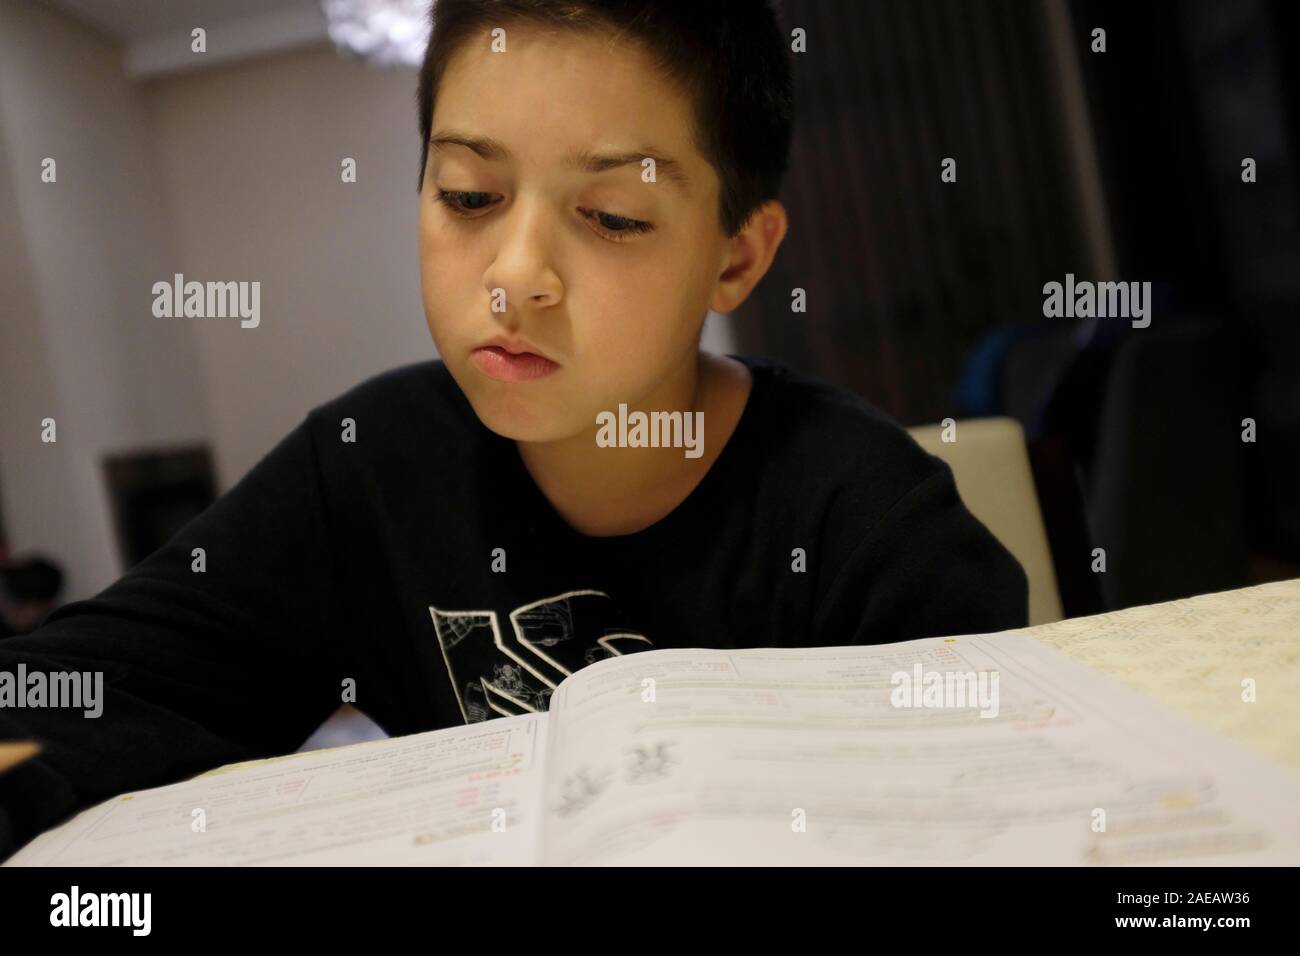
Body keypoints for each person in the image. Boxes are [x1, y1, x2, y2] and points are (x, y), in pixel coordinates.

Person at [0, 0, 1026, 862]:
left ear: (736, 258)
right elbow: (96, 687)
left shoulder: (861, 512)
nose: (514, 274)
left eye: (614, 215)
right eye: (469, 195)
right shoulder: (369, 466)